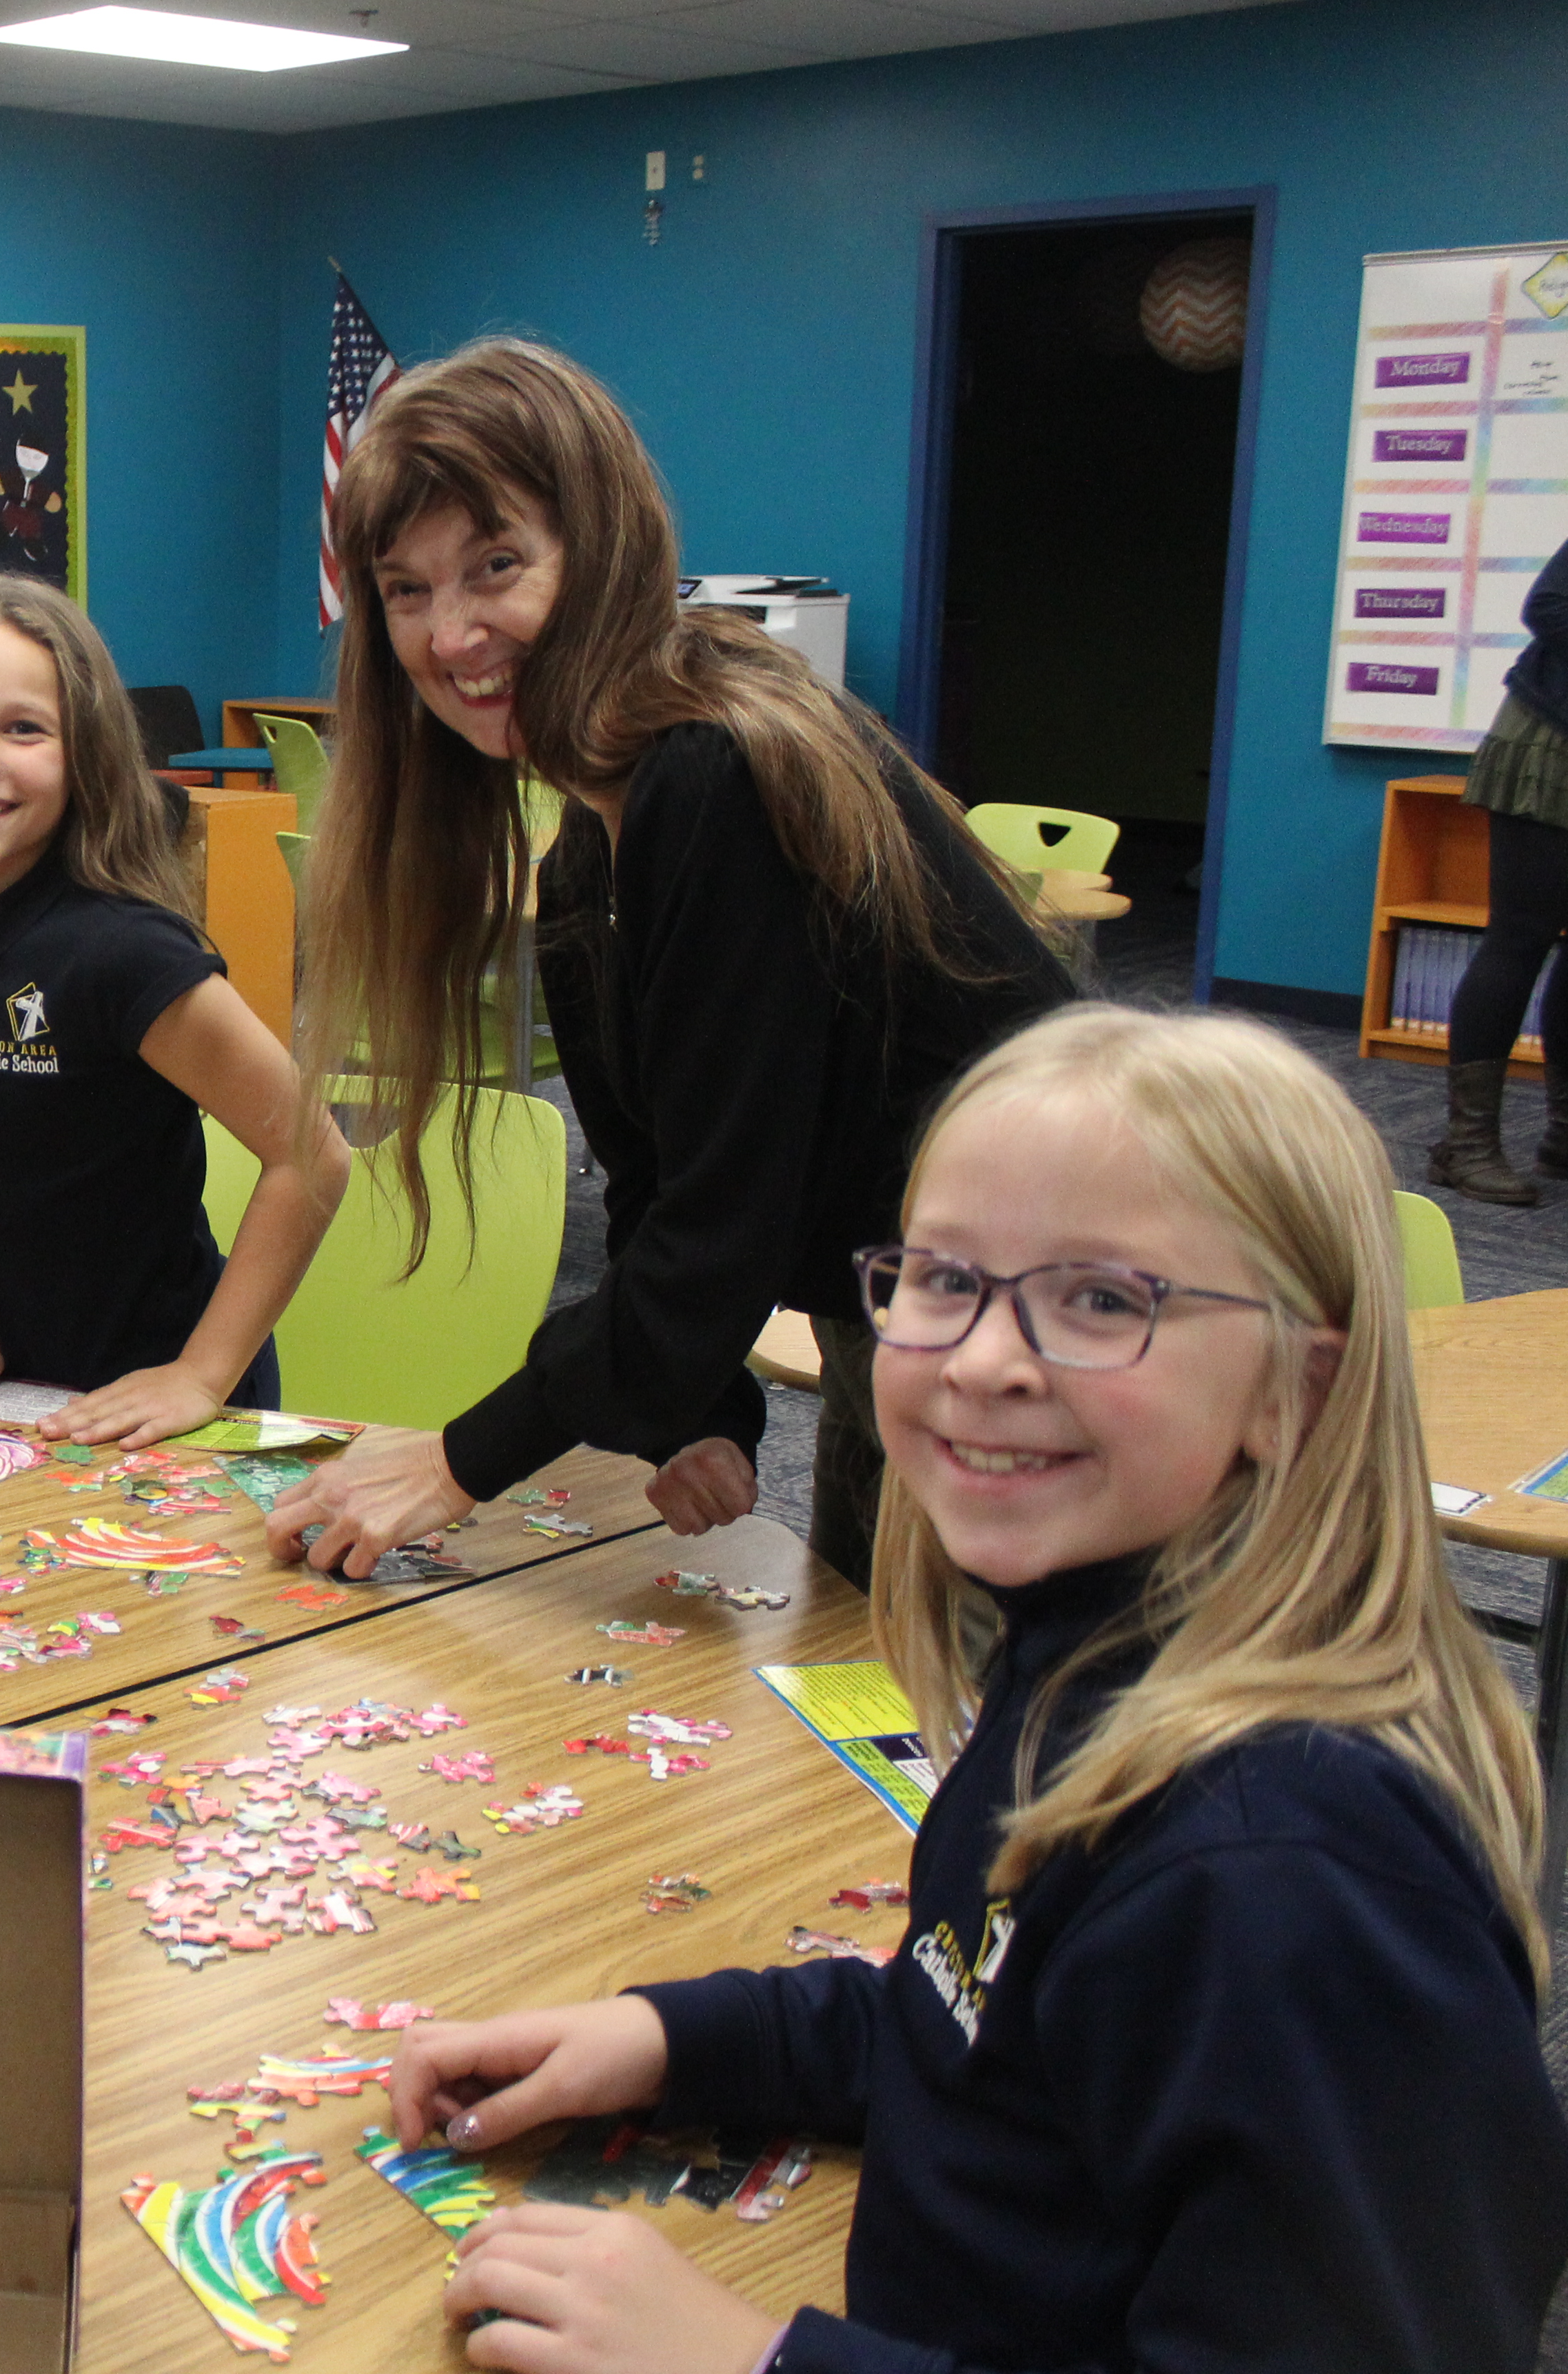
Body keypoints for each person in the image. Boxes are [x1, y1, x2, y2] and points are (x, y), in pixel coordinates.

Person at [377, 1004, 1568, 2373]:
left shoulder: (1290, 1882)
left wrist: (755, 2363)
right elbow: (982, 2023)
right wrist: (672, 2038)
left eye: (1104, 1300)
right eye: (943, 1280)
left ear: (1295, 1388)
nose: (987, 1359)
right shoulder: (1096, 1650)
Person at [276, 338, 1067, 1586]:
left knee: (975, 1732)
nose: (452, 633)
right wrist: (699, 1408)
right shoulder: (589, 843)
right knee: (868, 1671)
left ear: (598, 551)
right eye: (405, 590)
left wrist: (457, 1460)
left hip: (1063, 1343)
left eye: (495, 566)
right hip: (908, 1317)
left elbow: (717, 1233)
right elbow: (663, 1179)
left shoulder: (712, 772)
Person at [0, 573, 347, 1445]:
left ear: (85, 756)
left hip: (161, 1408)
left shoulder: (126, 952)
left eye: (23, 729)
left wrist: (201, 1376)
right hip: (13, 1393)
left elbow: (312, 1158)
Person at [1429, 533, 1568, 1205]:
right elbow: (1549, 606)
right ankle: (1468, 1146)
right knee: (1520, 936)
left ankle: (1564, 1135)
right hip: (1552, 746)